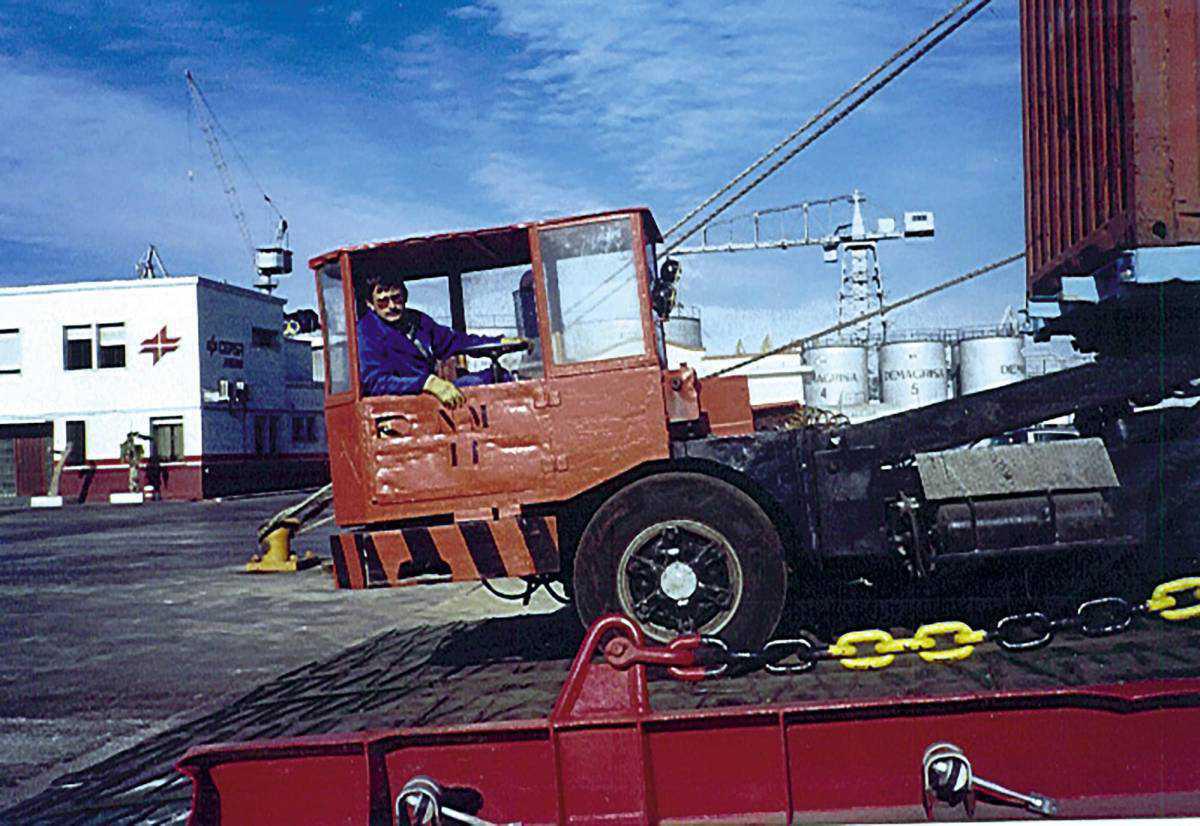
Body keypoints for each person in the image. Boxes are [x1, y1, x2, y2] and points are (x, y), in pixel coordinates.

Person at [357, 277, 513, 408]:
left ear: (404, 296)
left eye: (396, 298)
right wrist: (426, 383)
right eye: (383, 301)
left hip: (431, 394)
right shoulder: (366, 332)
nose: (392, 306)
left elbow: (453, 341)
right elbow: (375, 383)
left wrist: (498, 341)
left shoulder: (416, 321)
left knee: (496, 376)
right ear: (370, 304)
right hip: (401, 405)